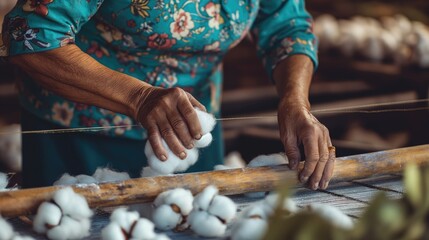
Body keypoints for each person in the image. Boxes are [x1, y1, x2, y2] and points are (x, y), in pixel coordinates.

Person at [2, 0, 335, 190]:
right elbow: (31, 34)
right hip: (82, 136)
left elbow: (286, 26)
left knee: (188, 221)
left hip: (191, 134)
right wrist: (139, 97)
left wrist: (295, 101)